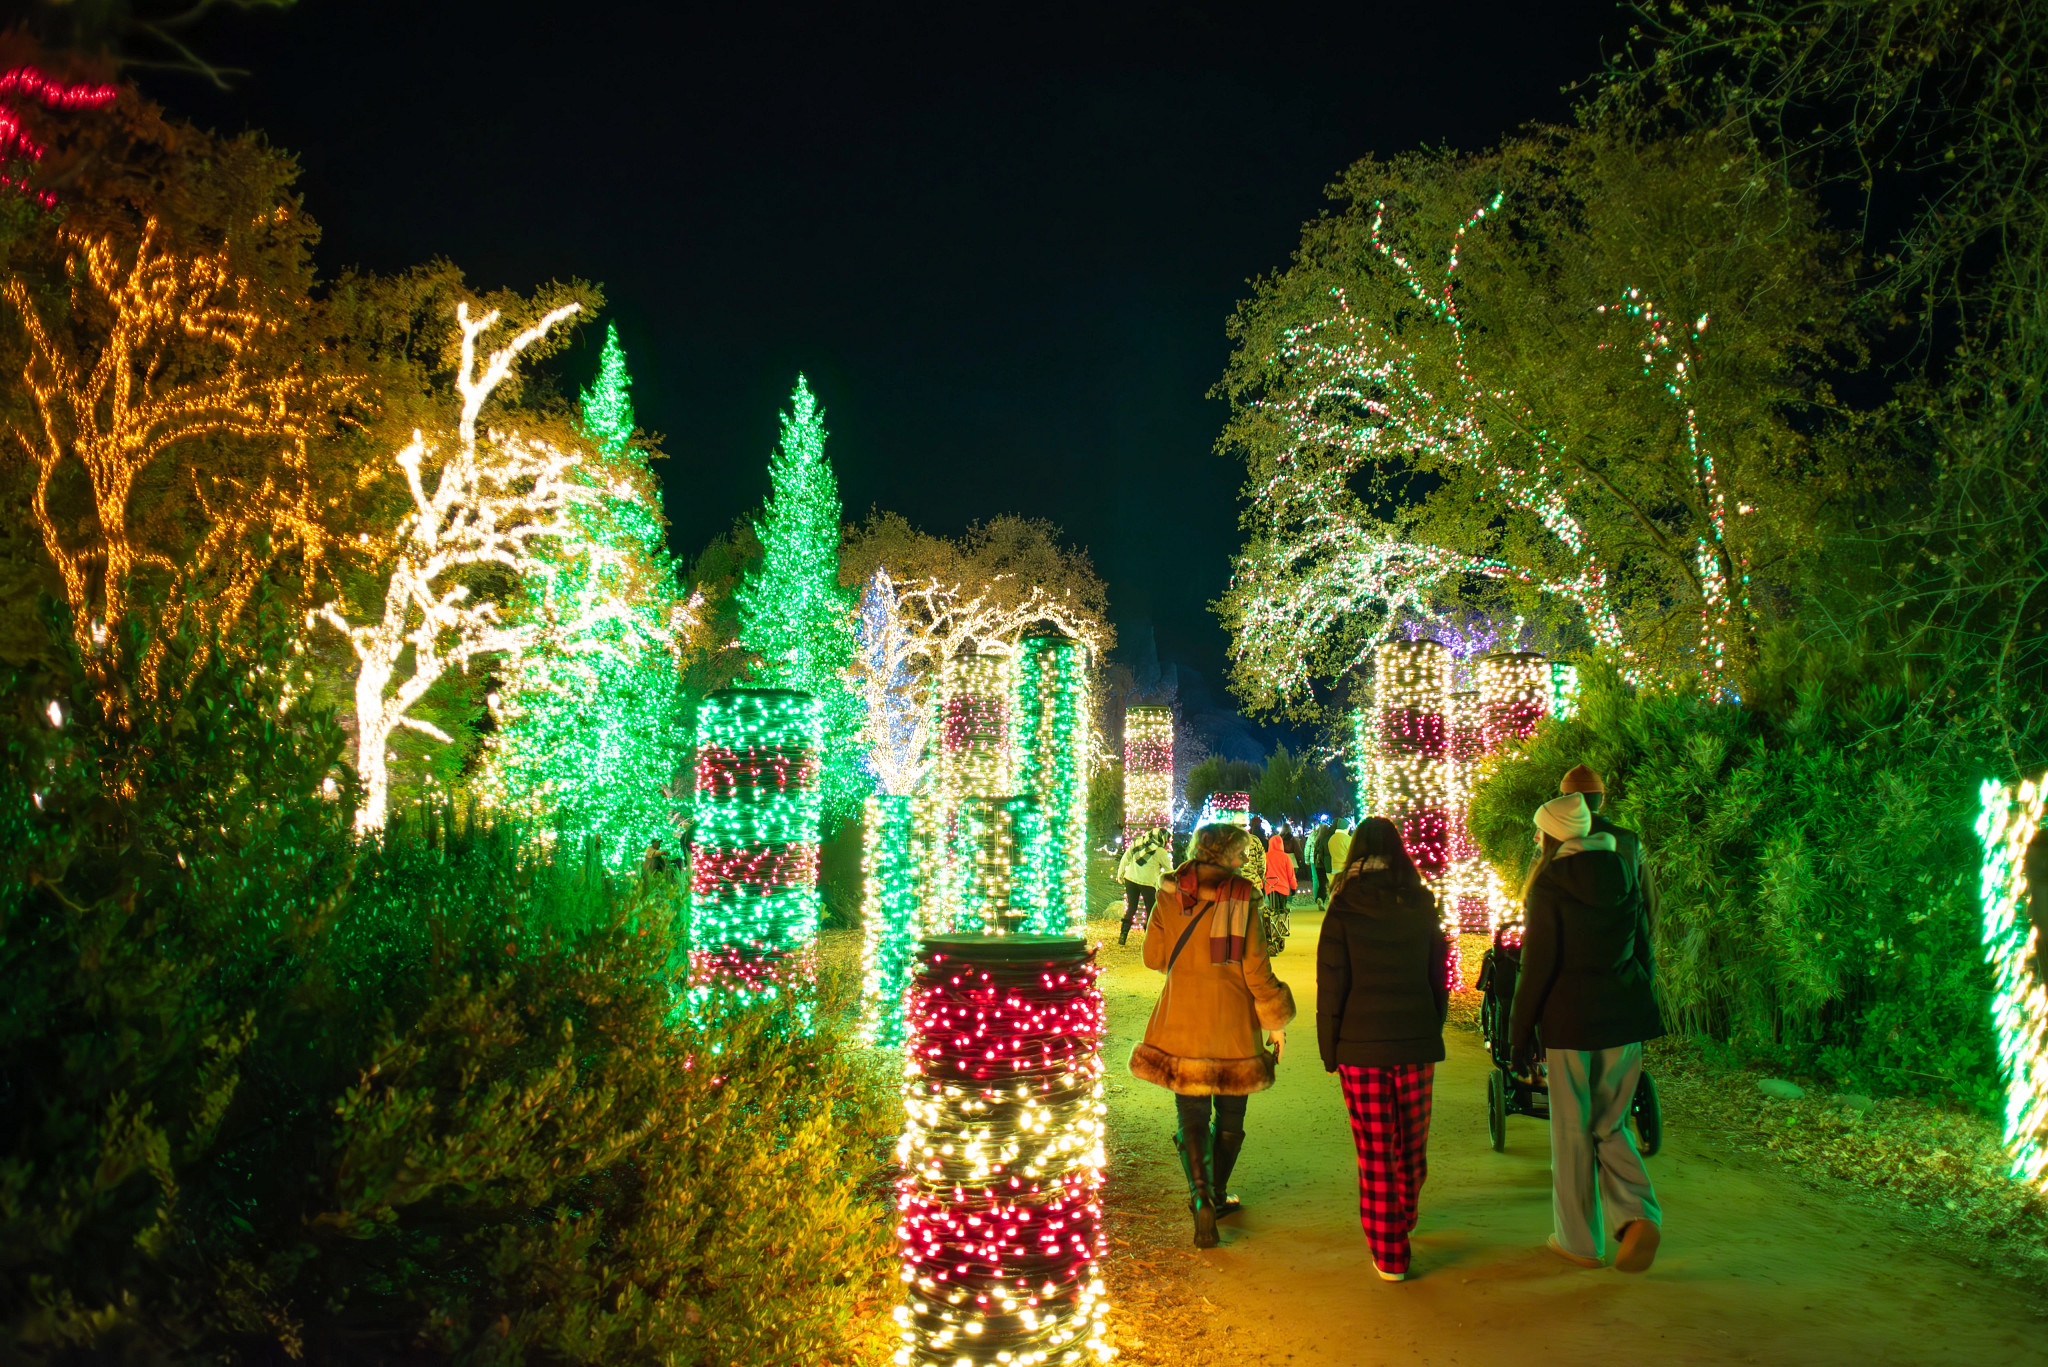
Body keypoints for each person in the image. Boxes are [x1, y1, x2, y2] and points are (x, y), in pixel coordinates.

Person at [1508, 792, 1666, 1273]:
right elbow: (1644, 946)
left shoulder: (1549, 884)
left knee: (1572, 1131)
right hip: (1625, 1017)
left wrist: (1519, 1034)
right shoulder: (1623, 871)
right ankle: (1638, 1215)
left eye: (1540, 832)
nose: (1537, 840)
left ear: (1555, 834)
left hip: (1570, 1023)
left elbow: (1537, 967)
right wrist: (1639, 1001)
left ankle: (1578, 1241)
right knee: (1610, 1123)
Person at [1130, 822, 1296, 1248]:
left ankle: (1200, 1195)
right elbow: (1257, 971)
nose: (1243, 862)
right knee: (1230, 1115)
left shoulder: (1171, 892)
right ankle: (1218, 1192)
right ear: (1224, 855)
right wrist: (1275, 1022)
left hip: (1181, 1019)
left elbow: (1153, 957)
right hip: (1233, 1023)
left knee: (1191, 1115)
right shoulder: (1243, 898)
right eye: (1240, 854)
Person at [1317, 817, 1451, 1281]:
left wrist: (1329, 1046)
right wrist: (1433, 1024)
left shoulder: (1343, 904)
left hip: (1360, 1043)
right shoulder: (1421, 901)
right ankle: (1405, 1211)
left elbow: (1332, 981)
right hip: (1414, 1038)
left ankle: (1390, 1251)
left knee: (1375, 1148)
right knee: (1411, 1141)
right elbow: (1439, 974)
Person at [1560, 765, 1659, 935]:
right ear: (1601, 799)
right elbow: (1650, 900)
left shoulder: (1554, 840)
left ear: (1563, 799)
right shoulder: (1629, 841)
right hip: (1622, 947)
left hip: (1571, 950)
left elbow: (1533, 901)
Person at [1116, 826, 1172, 946]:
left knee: (1131, 907)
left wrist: (1120, 873)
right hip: (1148, 883)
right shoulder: (1161, 852)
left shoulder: (1138, 842)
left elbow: (1126, 857)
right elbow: (1168, 869)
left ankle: (1123, 935)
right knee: (1151, 910)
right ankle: (1149, 937)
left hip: (1130, 879)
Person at [1311, 817, 1334, 906]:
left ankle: (1320, 898)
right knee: (1328, 882)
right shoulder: (1327, 840)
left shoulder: (1316, 840)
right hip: (1326, 864)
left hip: (1317, 864)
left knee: (1321, 883)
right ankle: (1324, 898)